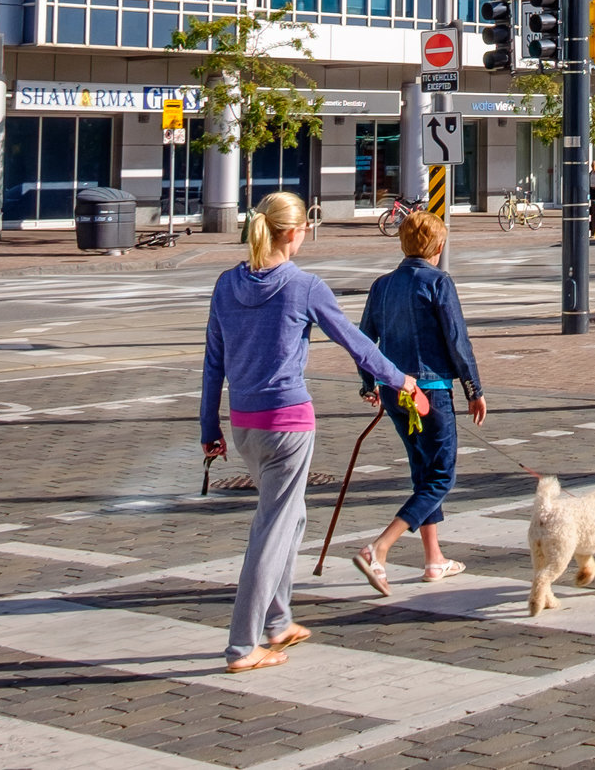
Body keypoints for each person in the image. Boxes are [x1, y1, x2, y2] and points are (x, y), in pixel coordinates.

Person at [201, 192, 419, 672]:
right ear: (295, 232)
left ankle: (279, 621)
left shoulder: (226, 284)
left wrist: (208, 425)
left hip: (244, 426)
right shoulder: (303, 285)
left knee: (290, 517)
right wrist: (400, 378)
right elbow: (357, 344)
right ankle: (243, 645)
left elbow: (213, 360)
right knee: (272, 532)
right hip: (288, 423)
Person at [350, 206, 487, 593]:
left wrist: (369, 383)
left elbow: (364, 340)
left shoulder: (382, 285)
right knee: (441, 476)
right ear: (438, 245)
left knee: (422, 473)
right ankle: (380, 547)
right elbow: (457, 340)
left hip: (396, 391)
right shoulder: (439, 283)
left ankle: (433, 559)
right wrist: (474, 390)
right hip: (432, 389)